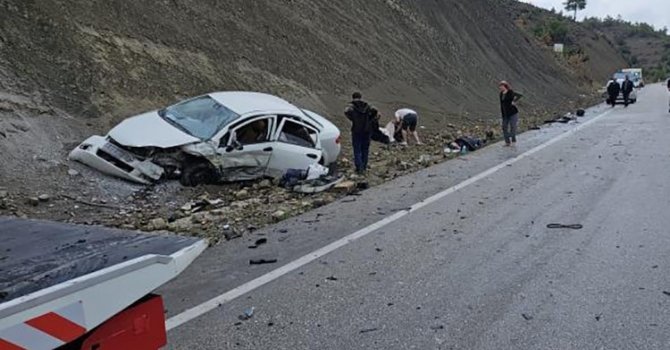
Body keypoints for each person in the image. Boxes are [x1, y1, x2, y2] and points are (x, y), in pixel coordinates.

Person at [344, 92, 377, 174]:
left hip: (356, 130)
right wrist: (370, 119)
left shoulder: (351, 106)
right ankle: (364, 166)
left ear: (353, 97)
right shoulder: (367, 105)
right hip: (367, 130)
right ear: (360, 97)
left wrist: (352, 118)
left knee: (357, 149)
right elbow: (375, 111)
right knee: (365, 149)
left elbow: (346, 112)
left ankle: (359, 168)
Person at [498, 81, 523, 147]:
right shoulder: (501, 94)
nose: (500, 87)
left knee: (512, 127)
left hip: (513, 113)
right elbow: (502, 104)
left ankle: (513, 140)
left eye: (501, 86)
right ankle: (507, 142)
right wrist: (502, 113)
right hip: (505, 113)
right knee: (504, 127)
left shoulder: (510, 92)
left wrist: (514, 101)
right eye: (500, 86)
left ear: (505, 86)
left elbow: (519, 95)